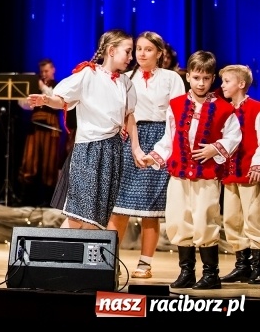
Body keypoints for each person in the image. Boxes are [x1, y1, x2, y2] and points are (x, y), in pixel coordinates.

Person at [144, 50, 241, 290]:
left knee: (205, 220)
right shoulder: (176, 105)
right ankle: (186, 271)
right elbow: (169, 137)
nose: (200, 83)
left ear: (212, 80)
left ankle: (211, 274)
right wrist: (155, 156)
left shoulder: (223, 109)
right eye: (196, 77)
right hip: (179, 173)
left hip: (205, 176)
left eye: (206, 78)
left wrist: (215, 149)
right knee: (179, 220)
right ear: (188, 77)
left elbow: (233, 136)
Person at [27, 29, 136, 230]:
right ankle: (58, 255)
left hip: (113, 149)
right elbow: (63, 99)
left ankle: (87, 259)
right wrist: (46, 99)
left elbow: (128, 115)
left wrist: (133, 145)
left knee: (99, 212)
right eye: (127, 51)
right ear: (111, 50)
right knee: (79, 211)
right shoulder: (89, 73)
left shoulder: (125, 82)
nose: (131, 57)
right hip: (89, 148)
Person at [106, 31, 186, 279]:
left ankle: (145, 263)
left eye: (148, 49)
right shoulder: (125, 77)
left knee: (151, 208)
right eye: (138, 48)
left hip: (161, 139)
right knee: (119, 207)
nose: (141, 53)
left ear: (160, 53)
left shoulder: (172, 78)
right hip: (130, 139)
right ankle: (110, 261)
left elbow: (176, 117)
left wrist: (159, 152)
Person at [217, 65, 260, 284]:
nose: (222, 85)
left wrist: (257, 164)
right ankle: (242, 265)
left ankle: (258, 265)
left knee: (253, 217)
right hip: (230, 172)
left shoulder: (256, 108)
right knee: (232, 219)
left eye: (226, 81)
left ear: (241, 84)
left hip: (249, 171)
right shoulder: (224, 110)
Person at [18, 58, 64, 206]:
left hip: (51, 126)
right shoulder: (34, 86)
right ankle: (28, 199)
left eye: (46, 71)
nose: (44, 74)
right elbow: (23, 104)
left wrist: (42, 87)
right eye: (42, 71)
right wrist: (27, 98)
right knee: (31, 160)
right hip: (35, 126)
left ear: (53, 70)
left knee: (49, 163)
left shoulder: (58, 86)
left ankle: (48, 200)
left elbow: (56, 103)